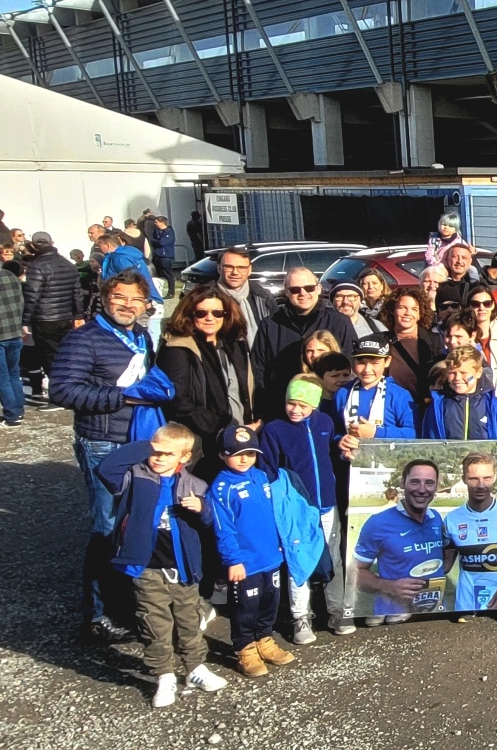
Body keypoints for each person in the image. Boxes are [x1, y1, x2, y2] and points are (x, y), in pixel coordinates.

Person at [51, 270, 159, 642]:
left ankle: (124, 604)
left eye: (136, 299)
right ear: (104, 299)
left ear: (145, 304)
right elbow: (62, 390)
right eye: (120, 298)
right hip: (102, 442)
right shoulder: (84, 339)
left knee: (131, 524)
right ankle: (97, 616)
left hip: (137, 439)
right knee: (106, 528)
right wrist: (121, 397)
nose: (128, 305)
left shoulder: (141, 335)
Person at [93, 424, 229, 708]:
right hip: (146, 567)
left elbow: (209, 523)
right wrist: (147, 445)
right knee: (154, 621)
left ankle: (195, 667)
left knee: (189, 619)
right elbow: (106, 469)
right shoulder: (135, 476)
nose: (159, 458)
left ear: (185, 457)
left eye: (168, 454)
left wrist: (201, 509)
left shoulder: (194, 484)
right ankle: (164, 674)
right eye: (156, 452)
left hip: (183, 566)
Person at [257, 375, 353, 637]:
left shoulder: (325, 422)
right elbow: (267, 470)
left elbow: (332, 449)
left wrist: (342, 447)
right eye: (291, 403)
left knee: (333, 558)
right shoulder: (274, 429)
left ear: (314, 404)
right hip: (296, 508)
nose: (295, 410)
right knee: (298, 559)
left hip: (327, 503)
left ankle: (337, 610)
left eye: (303, 405)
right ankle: (301, 617)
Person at [207, 426, 297, 677]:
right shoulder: (221, 488)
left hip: (271, 556)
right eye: (236, 454)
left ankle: (264, 640)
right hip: (245, 563)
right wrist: (233, 560)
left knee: (270, 603)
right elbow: (223, 529)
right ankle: (245, 649)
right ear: (222, 455)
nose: (244, 459)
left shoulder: (260, 476)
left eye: (250, 453)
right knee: (245, 609)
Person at [157, 285, 256, 481]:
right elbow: (179, 403)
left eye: (217, 312)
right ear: (190, 314)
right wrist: (223, 429)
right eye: (201, 313)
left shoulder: (233, 344)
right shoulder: (177, 349)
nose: (210, 318)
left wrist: (255, 422)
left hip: (239, 438)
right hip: (202, 443)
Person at [353, 459, 448, 624]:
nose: (422, 489)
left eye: (429, 483)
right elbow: (354, 572)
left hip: (435, 615)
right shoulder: (378, 523)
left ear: (436, 488)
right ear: (403, 483)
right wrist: (389, 587)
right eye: (415, 482)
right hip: (393, 617)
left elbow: (446, 555)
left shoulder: (437, 519)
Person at [442, 452, 497, 623]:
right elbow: (446, 564)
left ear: (495, 477)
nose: (481, 485)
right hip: (466, 607)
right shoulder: (452, 519)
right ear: (463, 479)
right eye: (474, 478)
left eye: (487, 478)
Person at [256, 267, 357, 419]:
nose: (303, 293)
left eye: (309, 288)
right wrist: (262, 415)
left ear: (318, 288)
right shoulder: (270, 325)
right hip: (283, 412)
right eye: (295, 289)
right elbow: (259, 372)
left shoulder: (339, 322)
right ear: (286, 292)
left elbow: (351, 365)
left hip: (330, 411)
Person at [331, 335, 418, 464]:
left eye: (375, 363)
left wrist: (376, 432)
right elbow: (333, 430)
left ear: (387, 361)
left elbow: (413, 434)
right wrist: (340, 440)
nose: (367, 369)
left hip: (391, 465)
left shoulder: (399, 395)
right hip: (352, 466)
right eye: (361, 362)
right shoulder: (343, 393)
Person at [20, 232, 81, 406]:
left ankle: (57, 398)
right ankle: (69, 391)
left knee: (50, 359)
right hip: (65, 316)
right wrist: (78, 315)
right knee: (65, 356)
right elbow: (77, 293)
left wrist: (25, 321)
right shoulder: (67, 264)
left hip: (45, 318)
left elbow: (32, 295)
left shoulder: (37, 265)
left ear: (34, 245)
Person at [421, 347, 497, 440]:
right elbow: (430, 442)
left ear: (479, 373)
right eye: (452, 373)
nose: (457, 378)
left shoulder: (494, 406)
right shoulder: (438, 406)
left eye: (464, 373)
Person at [381, 286, 442, 400]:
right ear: (392, 310)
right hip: (390, 403)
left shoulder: (435, 341)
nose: (408, 313)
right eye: (402, 307)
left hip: (423, 405)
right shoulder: (380, 341)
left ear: (420, 314)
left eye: (414, 309)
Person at [213, 248, 278, 351]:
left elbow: (276, 333)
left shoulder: (263, 297)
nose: (235, 272)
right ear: (219, 268)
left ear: (249, 270)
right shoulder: (207, 299)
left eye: (241, 267)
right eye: (228, 267)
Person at [0, 265, 23, 426]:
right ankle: (18, 411)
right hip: (14, 332)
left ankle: (12, 415)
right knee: (13, 374)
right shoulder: (10, 275)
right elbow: (21, 302)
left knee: (1, 378)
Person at [148, 216, 177, 293]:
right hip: (157, 255)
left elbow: (162, 243)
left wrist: (153, 240)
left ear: (162, 222)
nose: (155, 224)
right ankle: (160, 291)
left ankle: (171, 292)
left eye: (156, 222)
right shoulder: (156, 232)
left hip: (166, 256)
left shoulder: (168, 232)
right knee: (158, 274)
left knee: (168, 274)